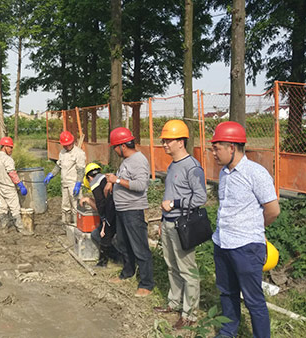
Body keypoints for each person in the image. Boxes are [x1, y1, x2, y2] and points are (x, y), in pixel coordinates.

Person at [210, 121, 280, 338]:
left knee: (253, 300)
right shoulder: (224, 173)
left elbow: (273, 210)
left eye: (217, 147)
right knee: (227, 292)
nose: (213, 152)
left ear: (232, 147)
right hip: (222, 243)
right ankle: (228, 331)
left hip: (246, 248)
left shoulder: (256, 173)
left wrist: (255, 229)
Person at [153, 120, 207, 329]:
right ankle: (174, 303)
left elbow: (200, 198)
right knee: (171, 266)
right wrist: (161, 220)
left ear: (181, 142)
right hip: (168, 223)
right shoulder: (173, 165)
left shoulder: (192, 167)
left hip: (182, 224)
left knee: (187, 270)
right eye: (164, 140)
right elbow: (169, 194)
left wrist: (175, 204)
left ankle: (190, 314)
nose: (165, 144)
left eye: (168, 140)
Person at [104, 127, 154, 297]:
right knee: (124, 244)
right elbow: (126, 180)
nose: (115, 151)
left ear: (122, 146)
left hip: (133, 210)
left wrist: (116, 180)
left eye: (115, 148)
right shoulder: (127, 161)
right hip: (123, 209)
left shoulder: (138, 160)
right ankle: (127, 272)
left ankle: (146, 283)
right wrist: (113, 182)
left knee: (140, 247)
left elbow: (140, 186)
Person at [78, 163, 119, 267]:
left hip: (111, 213)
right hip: (118, 209)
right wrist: (88, 199)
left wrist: (104, 222)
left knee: (101, 235)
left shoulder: (95, 183)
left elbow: (101, 206)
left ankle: (107, 261)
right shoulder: (105, 178)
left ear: (89, 177)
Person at [0, 137, 32, 235]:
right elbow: (12, 173)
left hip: (0, 187)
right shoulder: (7, 159)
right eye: (10, 147)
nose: (12, 150)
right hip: (8, 187)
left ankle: (3, 228)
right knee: (15, 208)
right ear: (4, 147)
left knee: (3, 208)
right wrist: (20, 184)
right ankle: (21, 229)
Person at [44, 131, 86, 225]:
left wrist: (78, 184)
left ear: (73, 142)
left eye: (68, 145)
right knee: (65, 206)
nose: (66, 147)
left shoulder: (79, 153)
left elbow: (81, 170)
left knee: (76, 206)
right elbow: (58, 166)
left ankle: (77, 225)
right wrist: (51, 174)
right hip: (65, 183)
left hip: (74, 183)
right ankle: (65, 224)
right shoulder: (62, 152)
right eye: (65, 145)